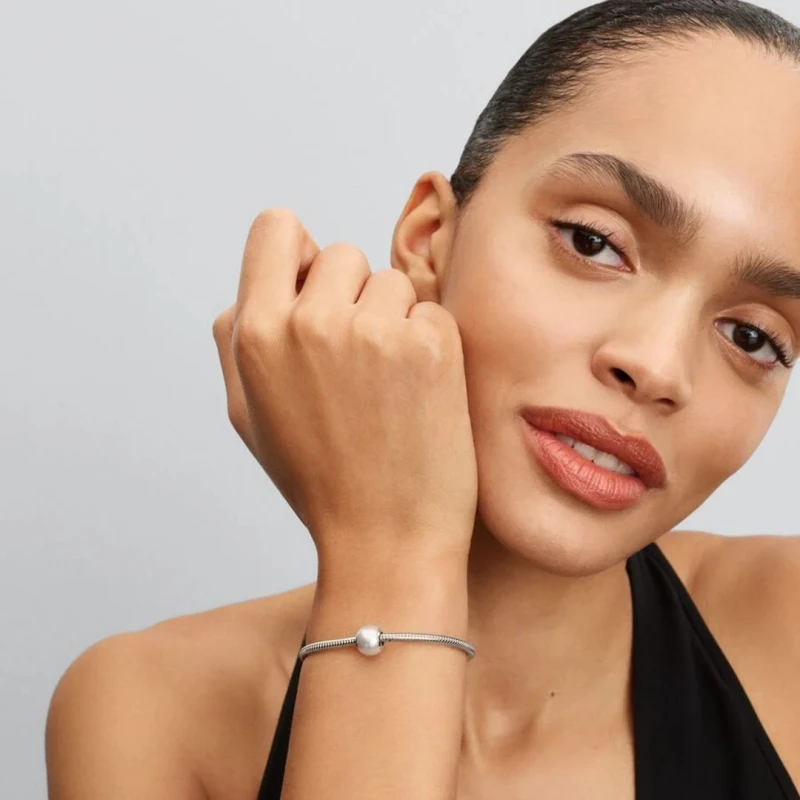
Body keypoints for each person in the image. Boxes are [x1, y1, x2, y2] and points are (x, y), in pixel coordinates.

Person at [44, 0, 800, 797]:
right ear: (431, 240)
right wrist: (388, 550)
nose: (657, 366)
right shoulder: (151, 711)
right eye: (593, 242)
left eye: (753, 336)